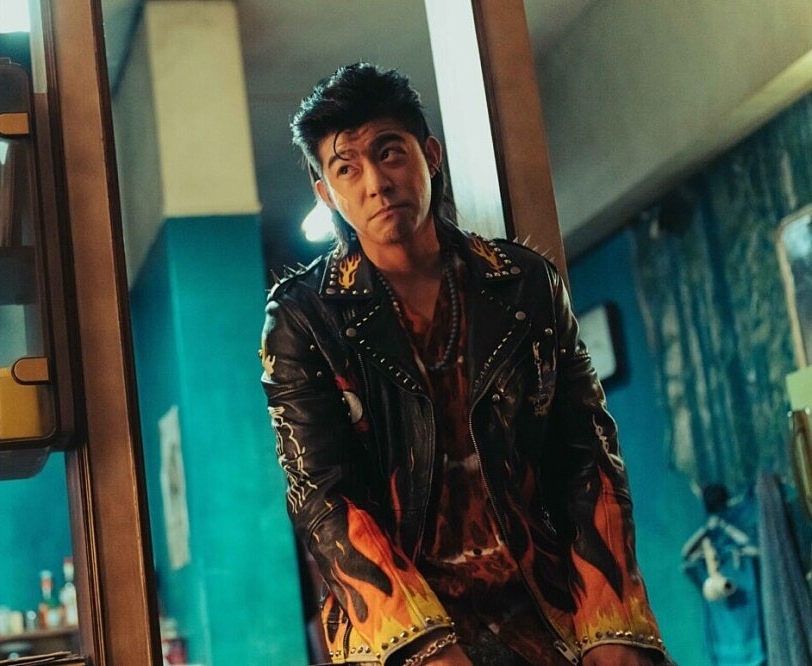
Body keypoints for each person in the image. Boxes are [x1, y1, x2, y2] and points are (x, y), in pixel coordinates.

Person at [260, 63, 669, 666]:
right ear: (328, 195)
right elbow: (324, 497)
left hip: (544, 601)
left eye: (390, 152)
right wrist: (425, 646)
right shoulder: (303, 318)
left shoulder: (525, 284)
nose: (376, 183)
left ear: (430, 156)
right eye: (347, 169)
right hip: (398, 624)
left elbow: (587, 456)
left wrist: (610, 622)